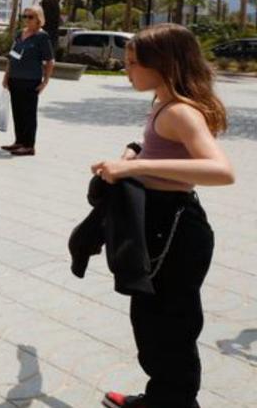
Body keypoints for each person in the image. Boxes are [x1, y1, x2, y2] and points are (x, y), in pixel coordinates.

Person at [90, 24, 233, 408]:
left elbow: (222, 171)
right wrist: (137, 153)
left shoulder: (181, 112)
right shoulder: (162, 104)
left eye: (134, 63)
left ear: (164, 65)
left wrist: (132, 170)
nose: (127, 70)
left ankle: (175, 402)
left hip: (175, 229)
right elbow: (171, 154)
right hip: (160, 226)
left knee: (170, 327)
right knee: (153, 323)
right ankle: (163, 398)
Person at [0, 5, 54, 156]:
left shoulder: (42, 37)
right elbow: (11, 57)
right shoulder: (19, 34)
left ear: (39, 19)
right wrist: (6, 76)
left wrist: (45, 82)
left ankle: (29, 146)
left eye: (30, 17)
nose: (27, 19)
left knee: (28, 113)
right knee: (17, 112)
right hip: (15, 79)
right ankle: (19, 142)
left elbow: (50, 61)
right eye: (25, 16)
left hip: (31, 81)